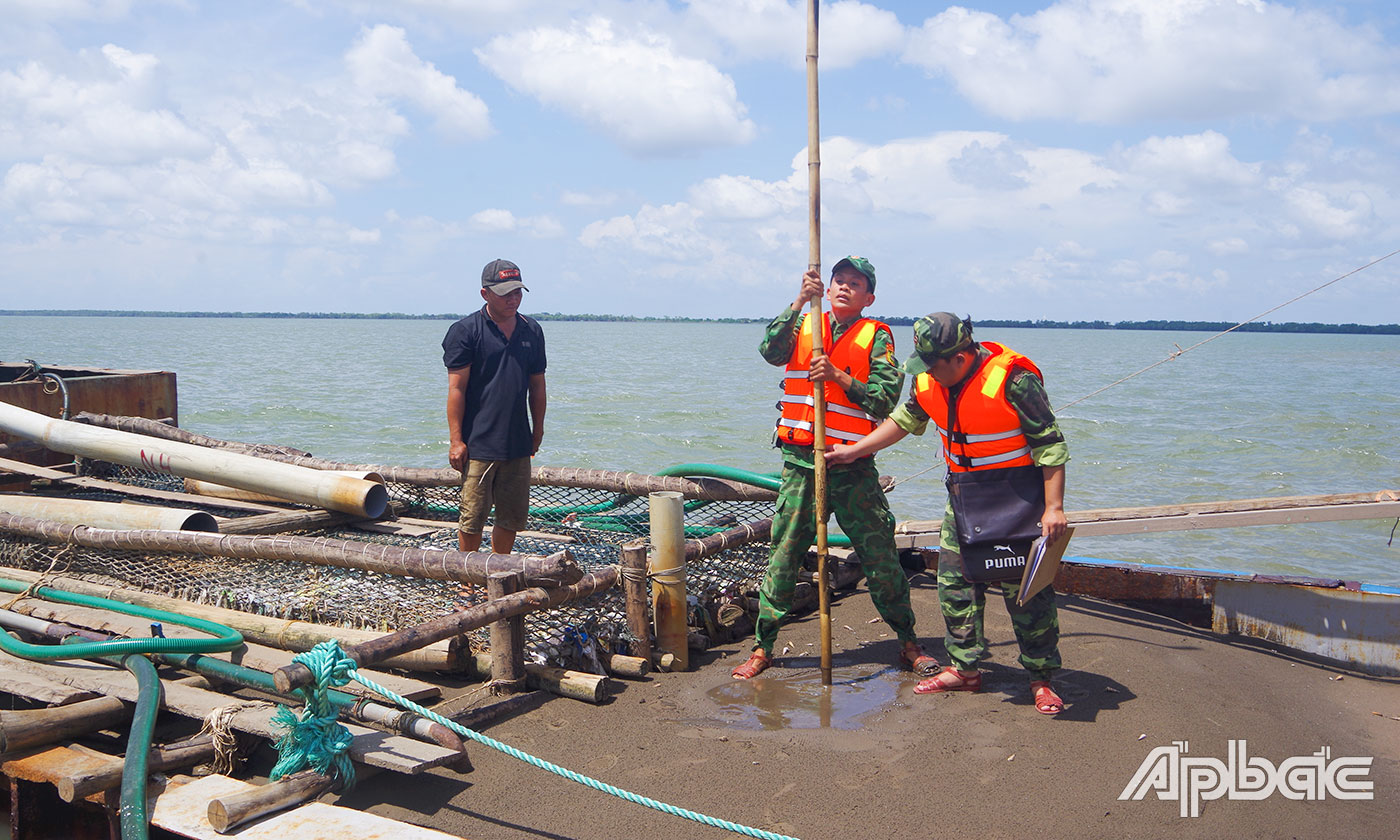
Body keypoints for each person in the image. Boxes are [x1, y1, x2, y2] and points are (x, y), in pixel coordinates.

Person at [827, 312, 1069, 714]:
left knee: (1026, 594)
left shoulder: (1014, 380)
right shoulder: (929, 381)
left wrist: (1054, 507)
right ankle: (964, 669)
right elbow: (905, 420)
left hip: (1018, 499)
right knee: (955, 586)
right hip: (964, 497)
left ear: (960, 356)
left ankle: (1041, 678)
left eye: (934, 365)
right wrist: (856, 450)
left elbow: (1050, 445)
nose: (930, 374)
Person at [731, 256, 935, 680]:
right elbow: (769, 351)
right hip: (801, 463)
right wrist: (798, 300)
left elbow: (882, 400)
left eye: (854, 283)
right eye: (838, 281)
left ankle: (908, 642)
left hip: (853, 465)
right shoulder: (806, 322)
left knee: (880, 556)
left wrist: (839, 377)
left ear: (868, 297)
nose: (843, 287)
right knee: (784, 555)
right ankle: (763, 646)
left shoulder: (877, 336)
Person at [442, 258, 547, 555]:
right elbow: (456, 389)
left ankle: (499, 571)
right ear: (485, 294)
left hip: (517, 440)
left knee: (511, 516)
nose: (513, 299)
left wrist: (537, 429)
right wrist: (456, 441)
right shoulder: (465, 331)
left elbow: (537, 386)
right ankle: (467, 580)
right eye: (506, 293)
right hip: (478, 443)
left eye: (518, 292)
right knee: (472, 516)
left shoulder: (532, 330)